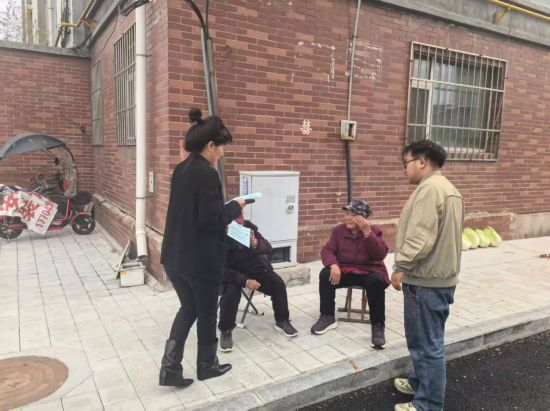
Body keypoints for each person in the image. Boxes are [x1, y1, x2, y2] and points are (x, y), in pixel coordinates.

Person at [159, 108, 246, 388]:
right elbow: (211, 221)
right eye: (221, 147)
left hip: (174, 257)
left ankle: (169, 368)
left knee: (188, 309)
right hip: (199, 261)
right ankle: (207, 366)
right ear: (210, 145)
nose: (222, 153)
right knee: (207, 314)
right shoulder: (207, 174)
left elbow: (192, 213)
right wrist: (235, 207)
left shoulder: (180, 169)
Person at [391, 140, 464, 411]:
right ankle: (419, 382)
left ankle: (428, 405)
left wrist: (400, 266)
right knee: (423, 340)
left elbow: (420, 238)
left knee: (427, 345)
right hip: (438, 279)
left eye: (406, 162)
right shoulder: (448, 188)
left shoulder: (430, 190)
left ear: (421, 161)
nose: (405, 169)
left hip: (426, 282)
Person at [310, 199, 390, 349]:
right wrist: (333, 264)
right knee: (325, 274)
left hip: (368, 271)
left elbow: (379, 255)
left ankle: (378, 325)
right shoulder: (338, 230)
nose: (347, 218)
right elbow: (327, 250)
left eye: (352, 215)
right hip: (345, 270)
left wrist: (367, 232)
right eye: (346, 214)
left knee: (376, 281)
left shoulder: (375, 231)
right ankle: (327, 316)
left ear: (363, 218)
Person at [218, 220, 298, 352]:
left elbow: (268, 248)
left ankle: (282, 320)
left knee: (277, 284)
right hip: (232, 273)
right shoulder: (219, 232)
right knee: (230, 295)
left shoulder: (248, 227)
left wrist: (256, 243)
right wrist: (245, 281)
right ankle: (226, 330)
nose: (240, 219)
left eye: (242, 215)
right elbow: (221, 269)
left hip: (255, 268)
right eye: (237, 216)